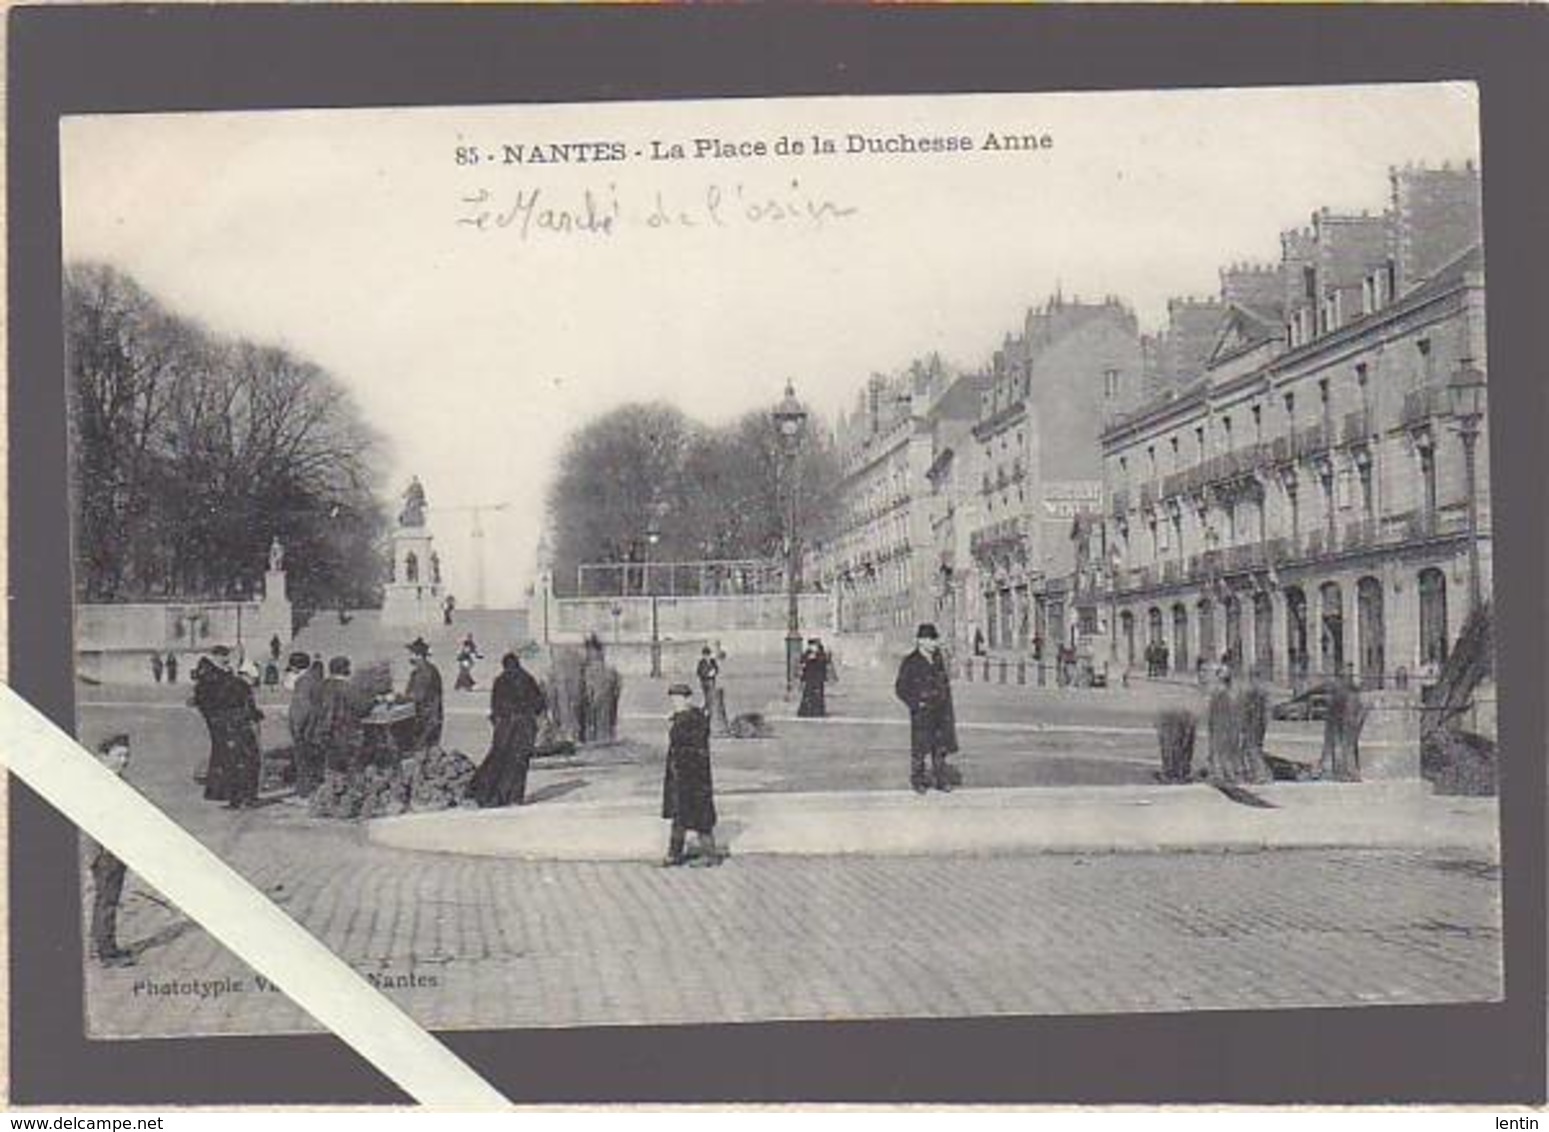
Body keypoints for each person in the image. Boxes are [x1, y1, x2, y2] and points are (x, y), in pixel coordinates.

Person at [469, 652, 548, 808]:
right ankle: (515, 798)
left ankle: (493, 796)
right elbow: (539, 703)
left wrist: (496, 721)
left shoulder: (500, 680)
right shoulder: (528, 679)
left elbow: (496, 706)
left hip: (506, 727)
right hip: (525, 727)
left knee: (500, 760)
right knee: (520, 763)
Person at [660, 683, 724, 867]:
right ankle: (674, 854)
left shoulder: (693, 720)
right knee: (680, 816)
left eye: (679, 699)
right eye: (673, 699)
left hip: (693, 776)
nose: (676, 702)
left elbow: (694, 749)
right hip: (680, 775)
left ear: (688, 699)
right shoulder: (684, 718)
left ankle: (709, 854)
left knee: (699, 817)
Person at [192, 646, 264, 808]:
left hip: (227, 721)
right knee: (238, 758)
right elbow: (217, 697)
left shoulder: (220, 674)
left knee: (233, 758)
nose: (226, 660)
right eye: (223, 656)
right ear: (215, 656)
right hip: (227, 722)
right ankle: (239, 796)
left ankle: (235, 795)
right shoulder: (214, 676)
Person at [894, 623, 959, 794]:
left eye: (935, 640)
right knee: (920, 749)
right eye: (931, 640)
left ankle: (940, 780)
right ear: (920, 641)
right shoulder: (910, 661)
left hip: (940, 711)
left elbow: (944, 684)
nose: (934, 643)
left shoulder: (938, 660)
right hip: (922, 712)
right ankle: (919, 780)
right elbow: (900, 688)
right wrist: (915, 704)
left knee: (940, 748)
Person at [88, 734, 135, 967]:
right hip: (108, 852)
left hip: (111, 850)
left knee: (104, 899)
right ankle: (107, 952)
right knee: (108, 900)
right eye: (119, 755)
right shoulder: (104, 783)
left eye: (127, 755)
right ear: (103, 757)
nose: (125, 760)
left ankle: (99, 945)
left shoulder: (113, 779)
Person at [287, 656, 326, 803]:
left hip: (305, 728)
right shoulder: (316, 678)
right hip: (315, 726)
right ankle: (314, 792)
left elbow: (302, 708)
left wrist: (297, 728)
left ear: (295, 667)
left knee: (303, 761)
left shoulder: (303, 682)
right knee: (314, 760)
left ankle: (304, 793)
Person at [405, 638, 444, 749]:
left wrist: (399, 699)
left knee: (421, 749)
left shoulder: (424, 672)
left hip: (426, 720)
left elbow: (418, 696)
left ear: (418, 655)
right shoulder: (428, 669)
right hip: (430, 718)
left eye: (411, 654)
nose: (409, 657)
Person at [797, 638, 830, 718]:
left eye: (814, 645)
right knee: (808, 694)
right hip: (809, 678)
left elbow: (824, 662)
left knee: (818, 694)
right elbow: (802, 661)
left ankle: (818, 711)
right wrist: (808, 659)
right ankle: (806, 711)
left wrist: (816, 658)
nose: (812, 647)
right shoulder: (807, 653)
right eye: (811, 645)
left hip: (818, 678)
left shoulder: (821, 654)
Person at [696, 647, 720, 711]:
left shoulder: (713, 661)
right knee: (706, 694)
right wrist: (707, 675)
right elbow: (698, 672)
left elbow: (717, 669)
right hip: (704, 681)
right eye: (705, 655)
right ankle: (707, 706)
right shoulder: (701, 662)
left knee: (711, 694)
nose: (706, 656)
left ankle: (709, 706)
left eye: (707, 655)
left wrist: (714, 672)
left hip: (711, 681)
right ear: (703, 655)